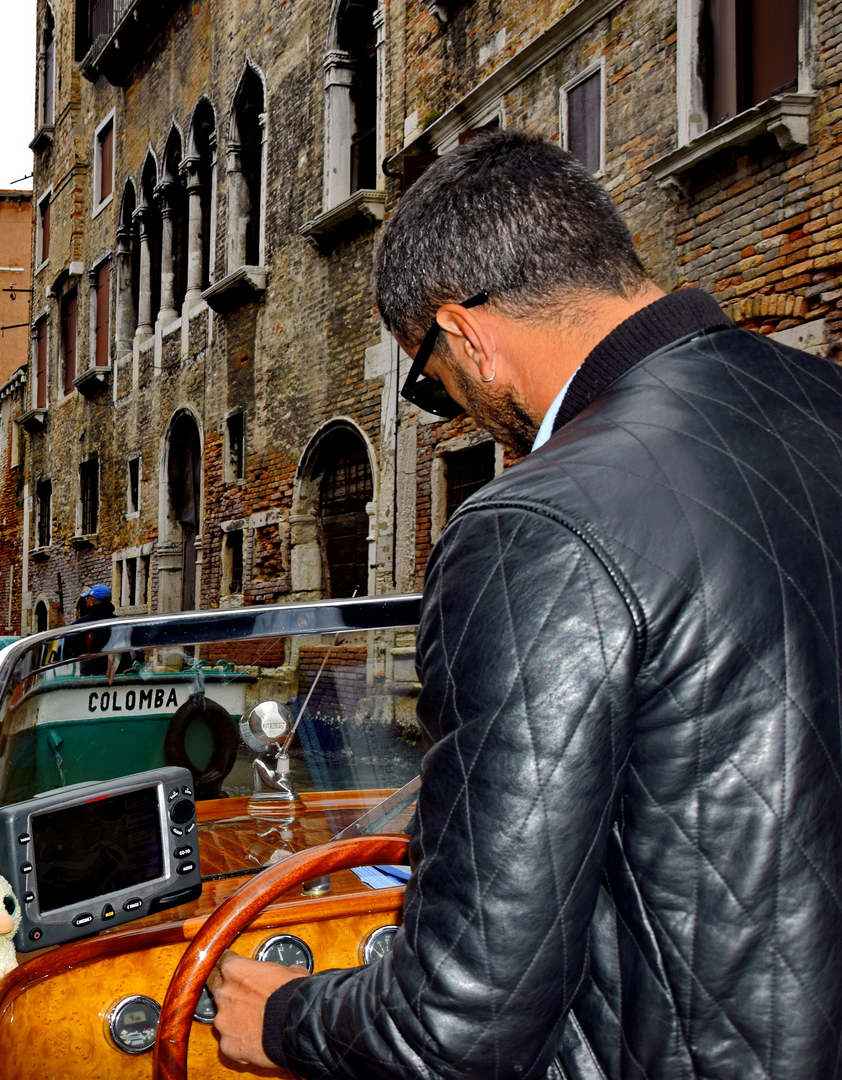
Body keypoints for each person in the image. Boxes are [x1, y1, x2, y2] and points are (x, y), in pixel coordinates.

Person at [208, 130, 842, 1078]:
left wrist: (287, 1018)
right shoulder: (827, 401)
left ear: (465, 334)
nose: (452, 405)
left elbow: (458, 1028)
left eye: (432, 382)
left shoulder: (533, 524)